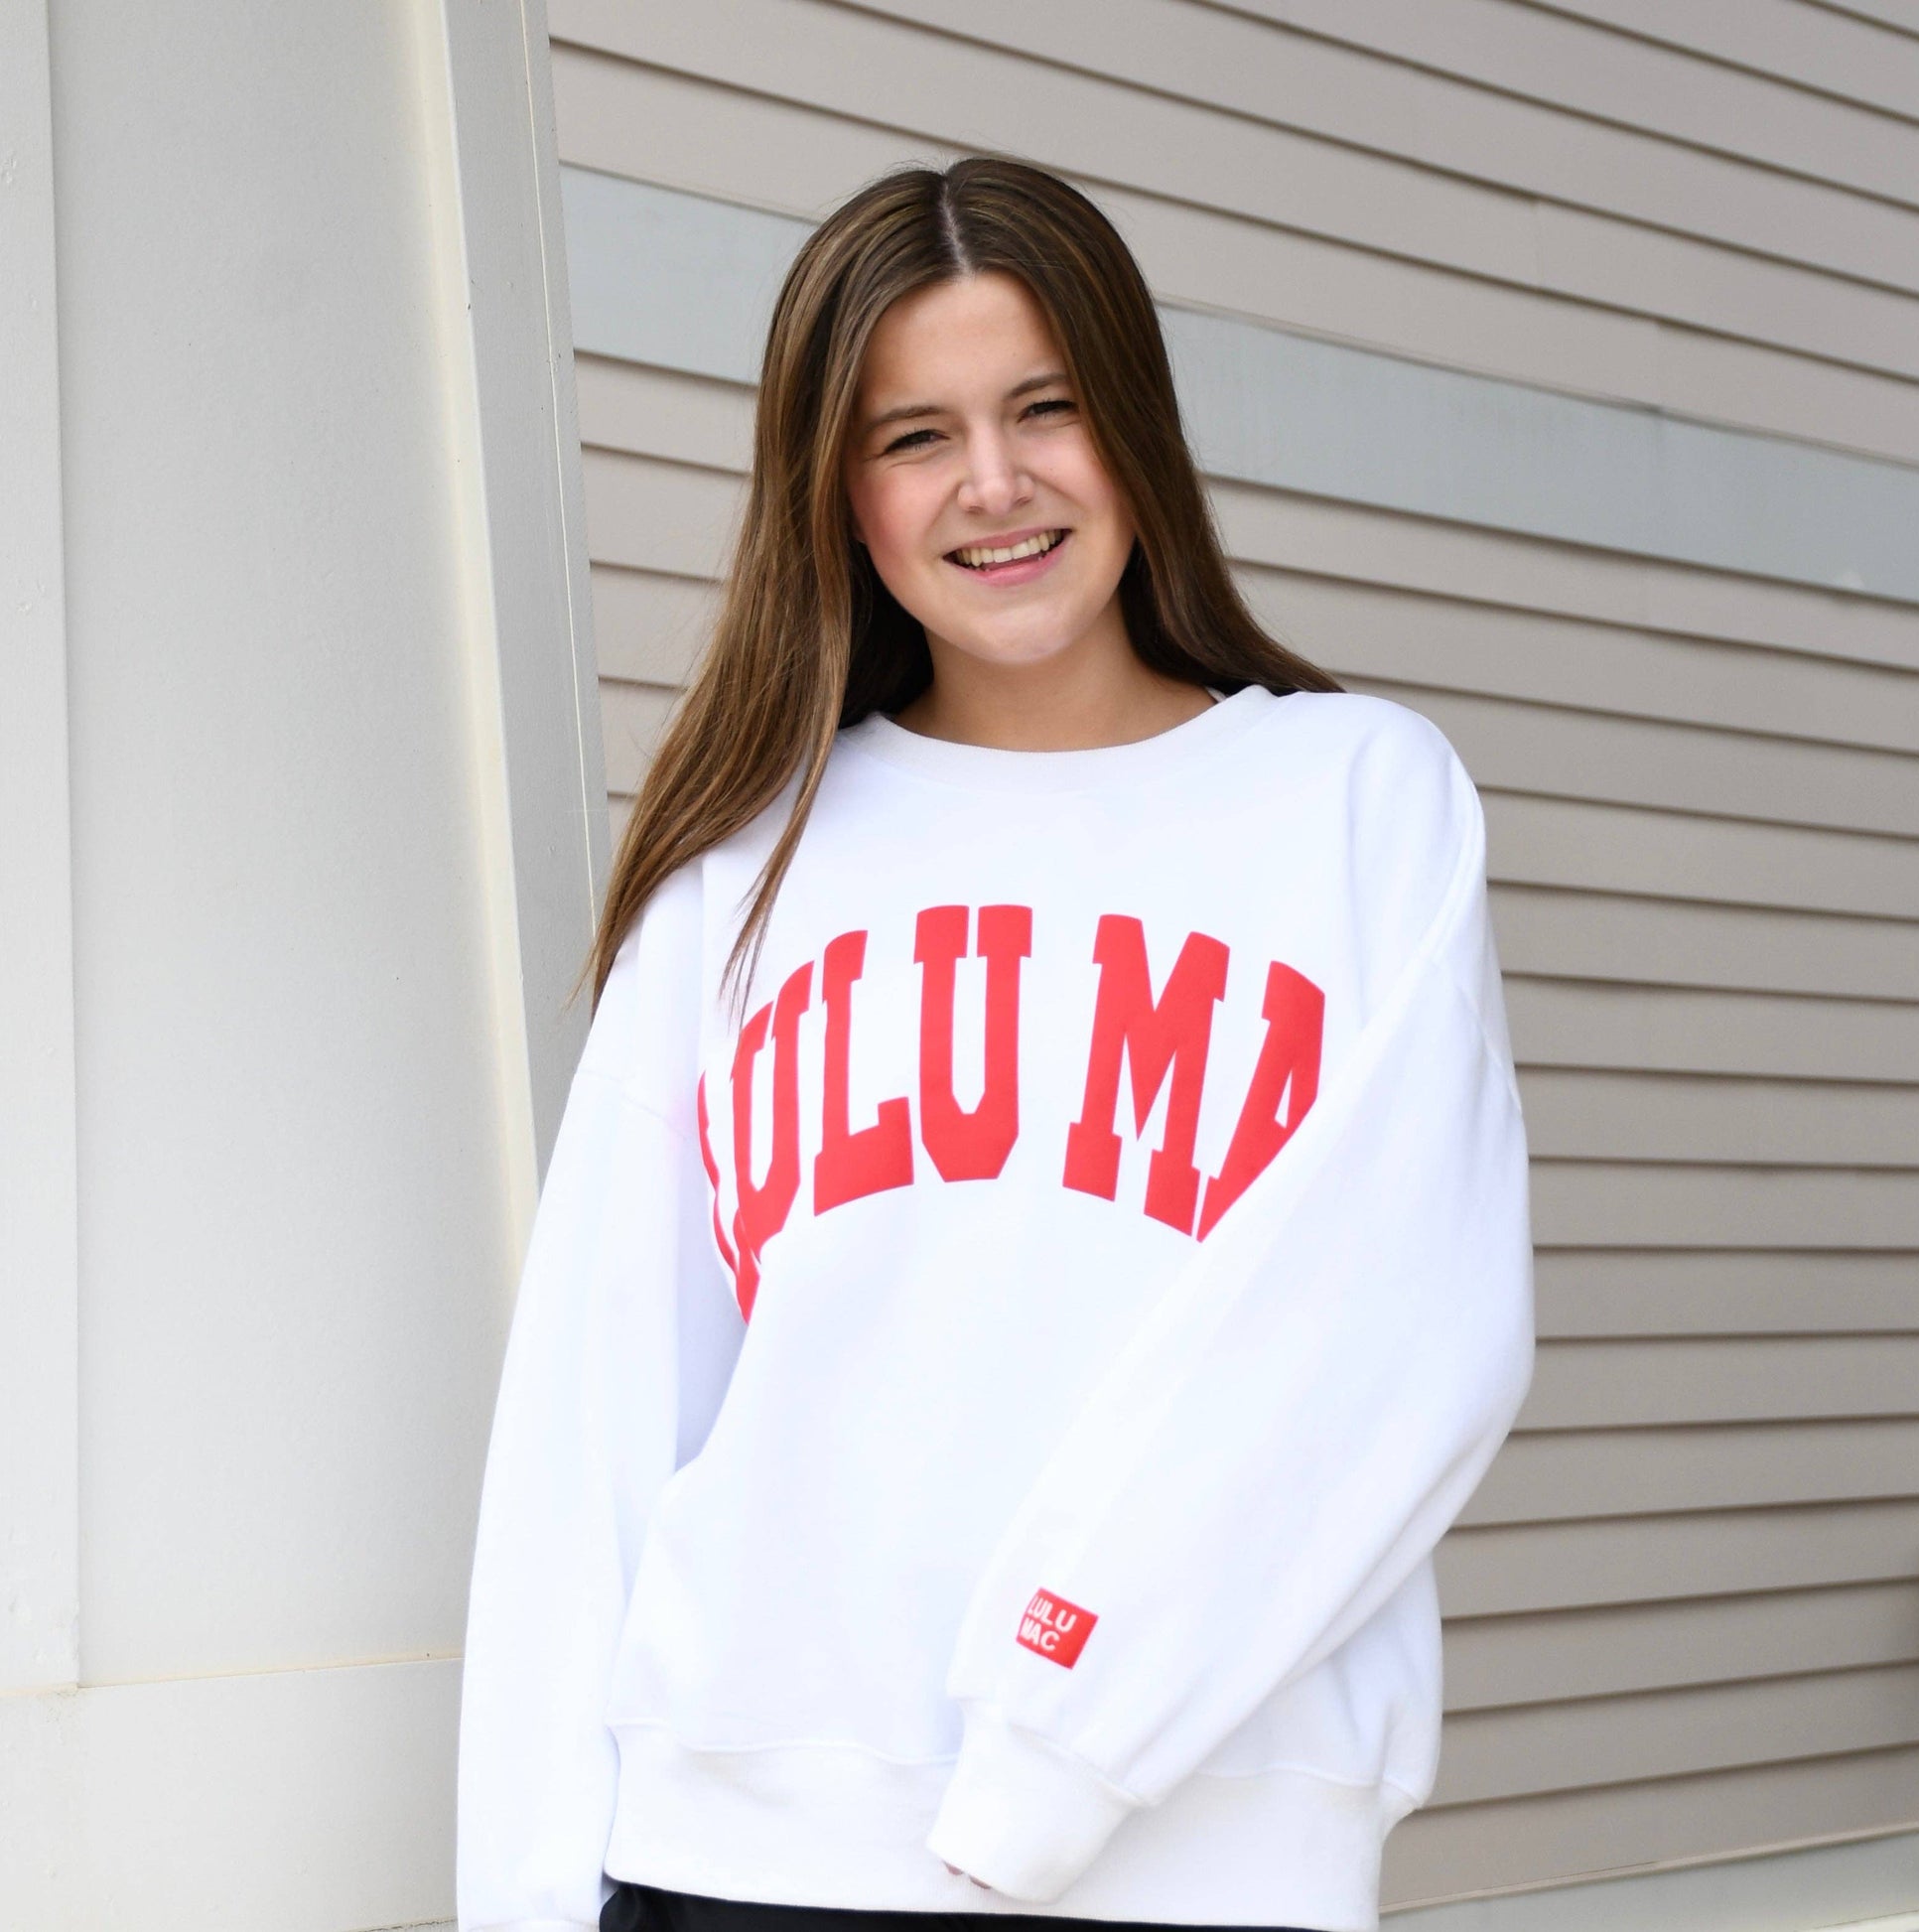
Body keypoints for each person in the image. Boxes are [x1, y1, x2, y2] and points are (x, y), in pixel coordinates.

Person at [455, 156, 1537, 1932]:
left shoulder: (1350, 800)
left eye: (1044, 408)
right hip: (746, 1855)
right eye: (914, 435)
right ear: (839, 495)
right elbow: (597, 1422)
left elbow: (1401, 1318)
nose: (993, 482)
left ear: (1135, 426)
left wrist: (1056, 1738)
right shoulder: (739, 868)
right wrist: (523, 1894)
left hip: (1201, 1849)